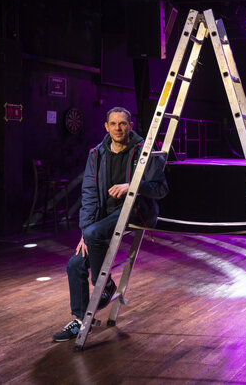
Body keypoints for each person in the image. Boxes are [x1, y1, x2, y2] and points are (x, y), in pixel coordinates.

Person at [52, 107, 168, 342]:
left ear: (130, 126)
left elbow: (161, 189)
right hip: (103, 218)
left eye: (123, 124)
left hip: (134, 212)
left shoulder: (144, 151)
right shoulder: (96, 154)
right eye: (113, 124)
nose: (118, 128)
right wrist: (84, 232)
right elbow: (89, 194)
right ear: (106, 127)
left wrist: (131, 187)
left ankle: (102, 285)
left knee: (94, 233)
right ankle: (80, 320)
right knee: (75, 265)